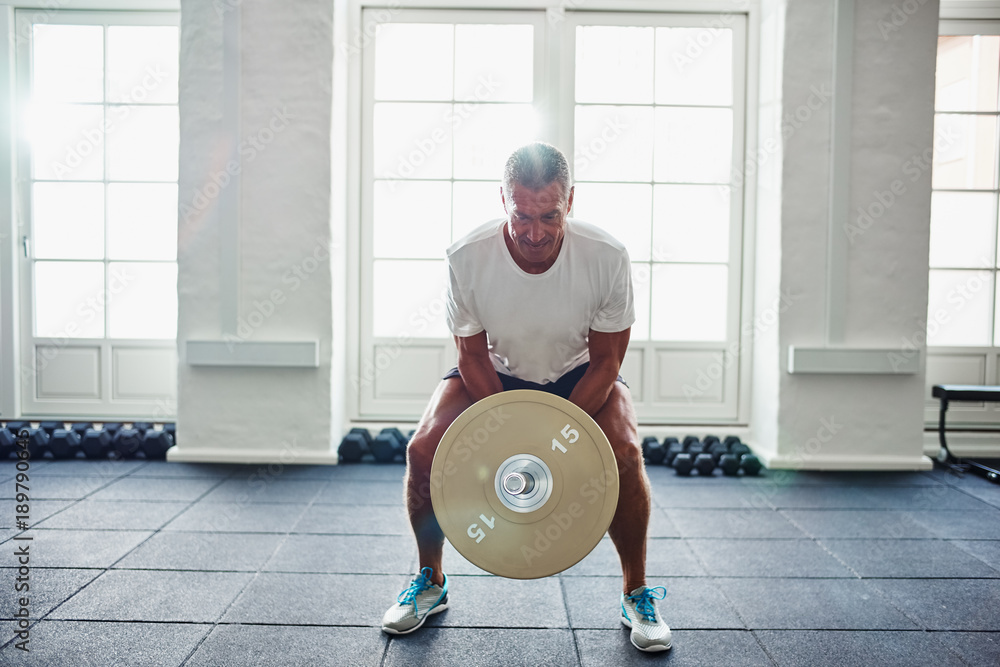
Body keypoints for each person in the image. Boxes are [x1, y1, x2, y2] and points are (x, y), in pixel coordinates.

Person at [381, 142, 671, 653]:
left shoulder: (606, 257)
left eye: (549, 215)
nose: (535, 232)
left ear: (570, 201)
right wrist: (510, 432)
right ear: (503, 200)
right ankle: (430, 581)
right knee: (422, 450)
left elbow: (607, 361)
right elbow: (471, 355)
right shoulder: (467, 257)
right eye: (522, 215)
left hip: (581, 374)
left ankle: (636, 592)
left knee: (624, 454)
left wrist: (561, 435)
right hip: (497, 370)